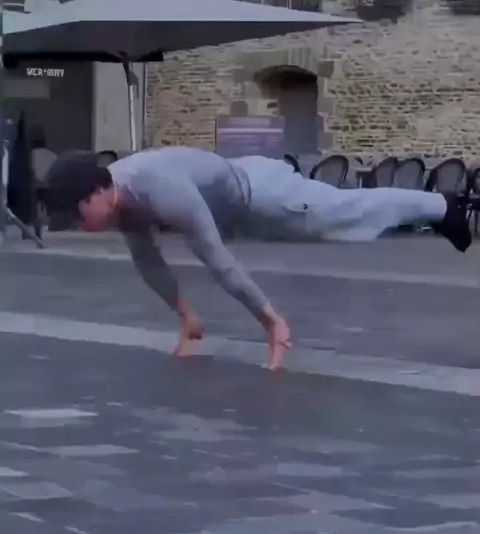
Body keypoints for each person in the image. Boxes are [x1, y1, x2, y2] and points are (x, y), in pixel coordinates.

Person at [44, 147, 471, 371]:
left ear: (98, 192)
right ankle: (439, 209)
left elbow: (216, 258)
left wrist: (270, 319)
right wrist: (186, 316)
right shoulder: (121, 201)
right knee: (345, 222)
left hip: (265, 195)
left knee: (347, 212)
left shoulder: (158, 188)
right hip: (243, 203)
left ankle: (443, 207)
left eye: (78, 215)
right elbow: (148, 261)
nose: (79, 226)